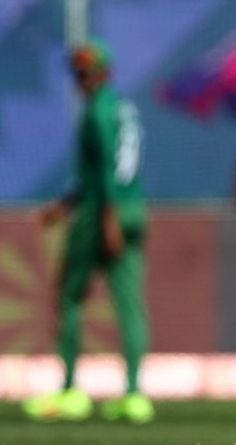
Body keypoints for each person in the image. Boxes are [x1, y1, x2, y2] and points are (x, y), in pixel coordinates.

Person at [23, 39, 154, 424]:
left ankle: (69, 391)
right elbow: (113, 167)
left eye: (83, 73)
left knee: (68, 295)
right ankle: (134, 395)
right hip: (133, 208)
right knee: (129, 303)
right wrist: (63, 205)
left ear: (100, 73)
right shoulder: (125, 108)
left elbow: (105, 175)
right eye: (76, 73)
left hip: (102, 211)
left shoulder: (96, 110)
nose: (78, 80)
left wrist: (106, 217)